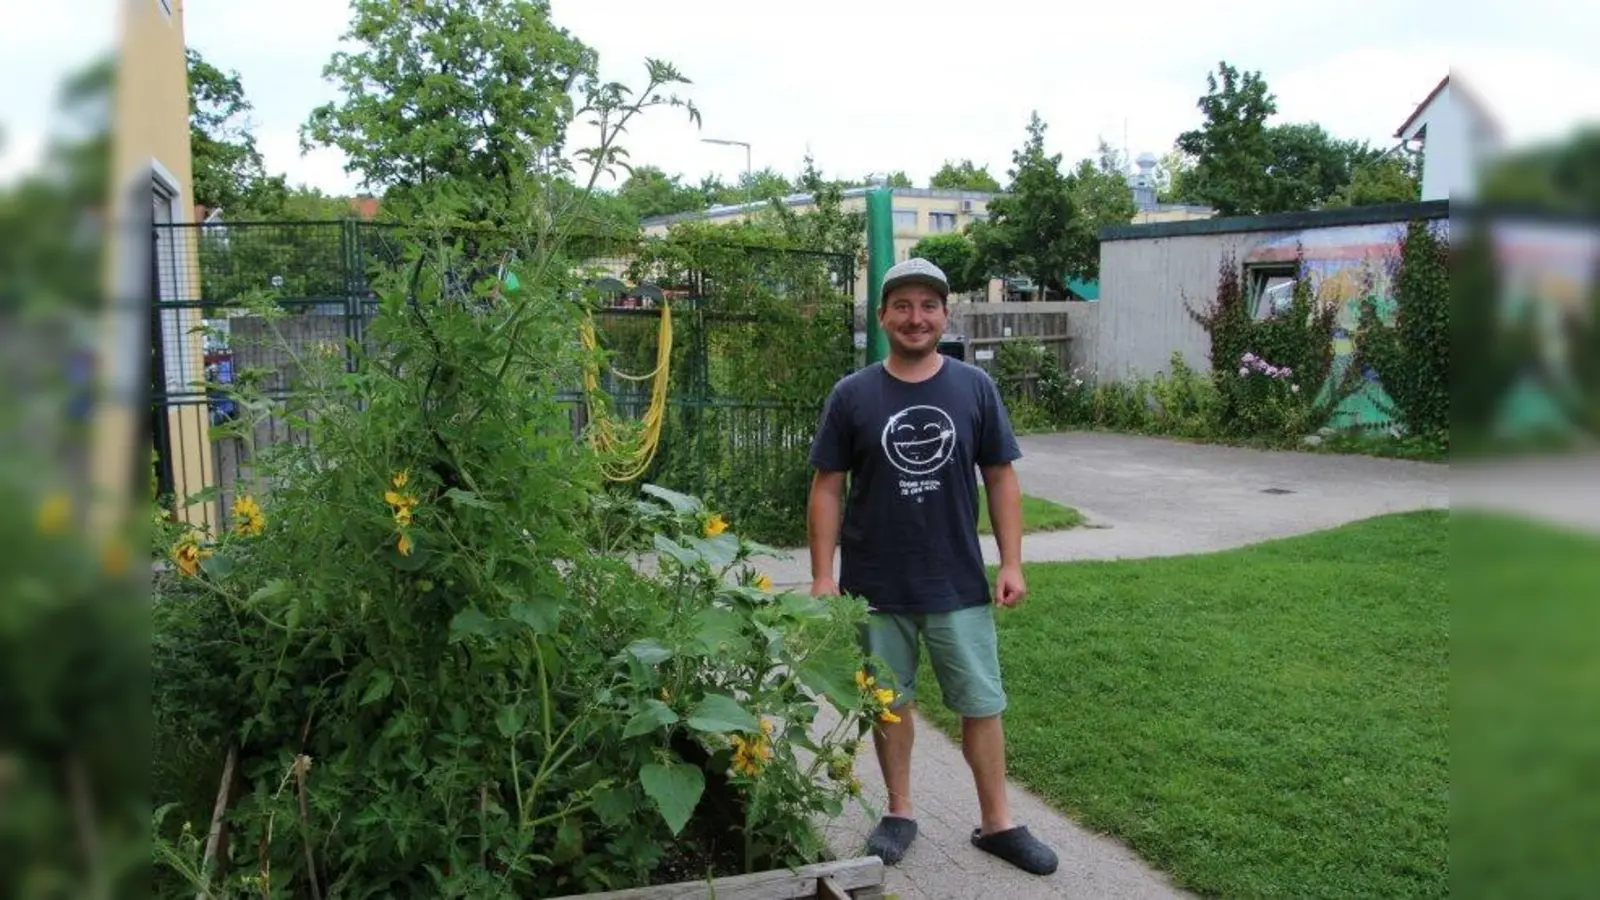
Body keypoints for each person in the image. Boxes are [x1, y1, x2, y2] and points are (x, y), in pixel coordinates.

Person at [806, 257, 1058, 876]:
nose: (916, 318)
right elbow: (826, 487)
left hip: (958, 582)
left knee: (982, 702)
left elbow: (1000, 478)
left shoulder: (974, 388)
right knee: (889, 704)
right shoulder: (853, 394)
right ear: (884, 316)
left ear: (945, 315)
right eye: (903, 306)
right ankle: (899, 811)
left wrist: (1013, 562)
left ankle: (997, 821)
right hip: (876, 586)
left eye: (928, 306)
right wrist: (821, 575)